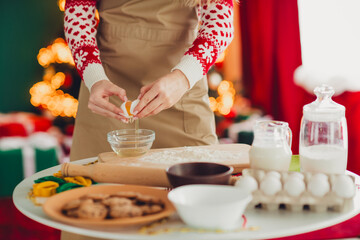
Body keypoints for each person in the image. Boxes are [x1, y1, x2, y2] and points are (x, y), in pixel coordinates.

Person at [62, 0, 233, 239]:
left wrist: (183, 77)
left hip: (182, 88)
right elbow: (78, 9)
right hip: (107, 87)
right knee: (91, 217)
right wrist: (94, 76)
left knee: (198, 213)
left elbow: (220, 21)